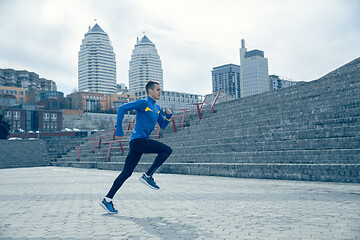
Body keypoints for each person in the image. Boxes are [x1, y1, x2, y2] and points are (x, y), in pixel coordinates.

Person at [100, 80, 173, 214]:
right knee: (167, 150)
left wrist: (168, 116)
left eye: (160, 90)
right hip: (137, 141)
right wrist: (119, 130)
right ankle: (148, 175)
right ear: (150, 91)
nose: (160, 92)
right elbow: (122, 108)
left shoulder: (156, 108)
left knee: (126, 173)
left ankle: (107, 199)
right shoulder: (143, 103)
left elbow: (162, 125)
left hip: (139, 143)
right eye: (157, 90)